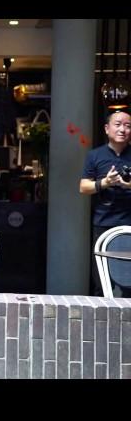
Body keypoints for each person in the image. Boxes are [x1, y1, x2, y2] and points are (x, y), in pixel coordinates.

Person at [80, 109, 131, 297]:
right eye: (118, 124)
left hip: (129, 224)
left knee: (129, 280)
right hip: (103, 223)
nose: (123, 129)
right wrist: (105, 183)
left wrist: (127, 186)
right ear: (107, 128)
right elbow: (83, 187)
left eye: (128, 126)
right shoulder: (95, 155)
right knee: (101, 281)